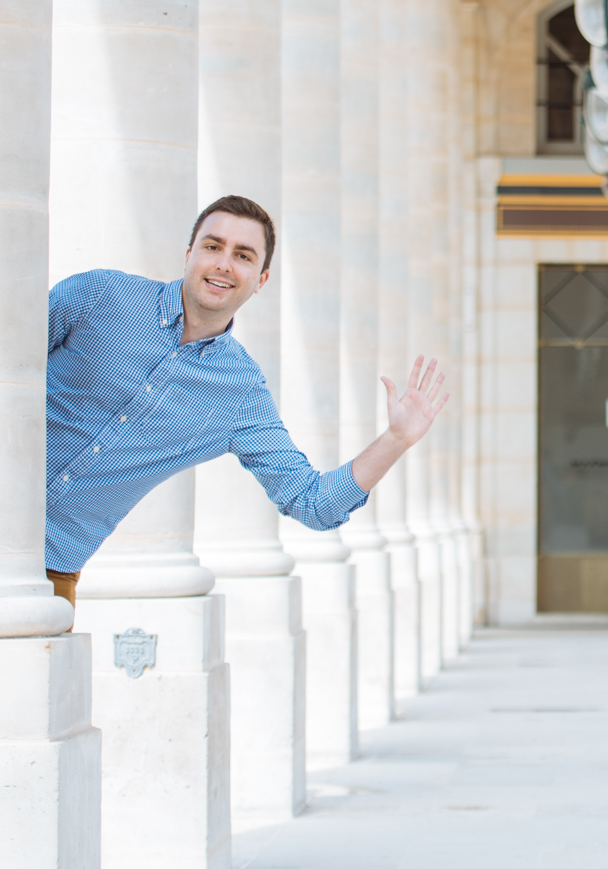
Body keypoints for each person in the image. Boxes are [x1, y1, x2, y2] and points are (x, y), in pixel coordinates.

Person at [45, 194, 448, 609]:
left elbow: (312, 503)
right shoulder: (99, 296)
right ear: (189, 255)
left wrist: (395, 439)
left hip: (50, 568)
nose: (223, 264)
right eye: (213, 246)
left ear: (261, 280)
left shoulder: (241, 393)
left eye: (243, 255)